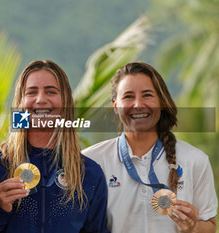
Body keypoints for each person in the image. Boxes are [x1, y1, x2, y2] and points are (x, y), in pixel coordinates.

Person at [82, 62, 217, 233]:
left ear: (161, 101)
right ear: (115, 105)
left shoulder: (194, 160)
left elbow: (210, 226)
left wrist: (193, 227)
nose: (138, 104)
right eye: (128, 96)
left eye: (147, 95)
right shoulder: (90, 161)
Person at [0, 60, 109, 233]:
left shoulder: (89, 173)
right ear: (20, 104)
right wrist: (0, 209)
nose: (40, 100)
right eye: (31, 92)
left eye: (51, 91)